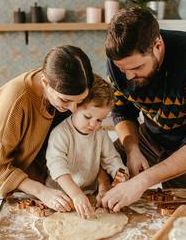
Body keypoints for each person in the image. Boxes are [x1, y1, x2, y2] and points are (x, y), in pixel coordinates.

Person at [101, 7, 186, 212]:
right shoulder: (120, 61)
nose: (128, 77)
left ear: (157, 45)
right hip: (155, 128)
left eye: (137, 68)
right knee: (104, 164)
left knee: (178, 208)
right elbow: (122, 112)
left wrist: (142, 181)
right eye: (122, 70)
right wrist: (132, 149)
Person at [0, 45, 98, 213]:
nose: (73, 109)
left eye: (79, 101)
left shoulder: (63, 85)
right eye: (65, 100)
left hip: (28, 185)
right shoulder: (16, 100)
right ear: (45, 82)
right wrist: (42, 191)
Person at [45, 75, 129, 218]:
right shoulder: (60, 134)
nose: (93, 125)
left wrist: (120, 176)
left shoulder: (100, 133)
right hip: (60, 197)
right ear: (75, 106)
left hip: (89, 195)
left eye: (99, 120)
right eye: (88, 117)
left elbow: (112, 160)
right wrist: (76, 194)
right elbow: (57, 168)